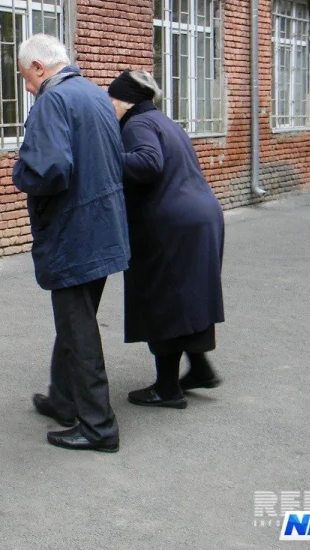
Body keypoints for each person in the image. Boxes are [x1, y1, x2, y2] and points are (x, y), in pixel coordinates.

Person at [12, 34, 130, 451]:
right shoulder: (95, 95)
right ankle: (62, 399)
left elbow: (50, 171)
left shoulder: (52, 100)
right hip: (102, 228)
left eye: (26, 77)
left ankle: (99, 428)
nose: (28, 87)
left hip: (73, 233)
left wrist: (19, 172)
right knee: (75, 320)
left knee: (79, 330)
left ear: (39, 67)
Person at [106, 70, 225, 409]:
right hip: (201, 216)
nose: (108, 106)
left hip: (171, 224)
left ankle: (167, 389)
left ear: (127, 102)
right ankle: (200, 369)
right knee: (187, 295)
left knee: (162, 297)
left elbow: (148, 163)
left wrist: (104, 157)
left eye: (111, 100)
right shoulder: (164, 121)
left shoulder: (138, 125)